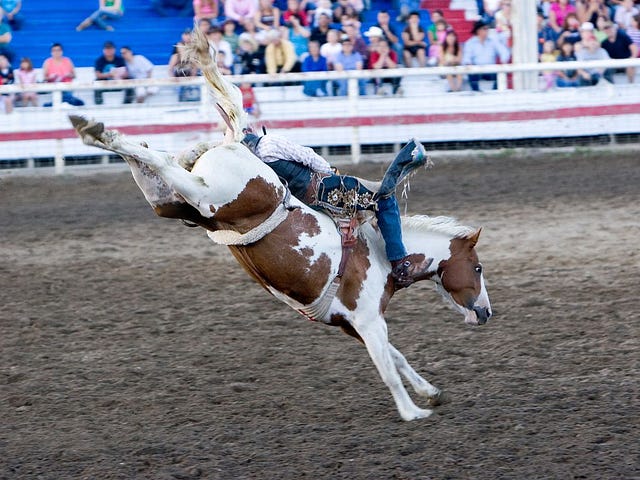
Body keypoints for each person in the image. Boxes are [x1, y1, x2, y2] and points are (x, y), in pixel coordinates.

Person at [241, 132, 432, 289]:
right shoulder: (268, 143)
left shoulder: (252, 163)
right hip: (322, 187)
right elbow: (308, 156)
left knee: (371, 195)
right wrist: (331, 173)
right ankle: (400, 264)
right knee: (384, 198)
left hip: (305, 200)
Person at [461, 19, 511, 91]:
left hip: (491, 69)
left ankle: (494, 92)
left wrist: (504, 60)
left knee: (501, 73)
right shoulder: (470, 43)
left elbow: (504, 51)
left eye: (487, 29)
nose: (487, 31)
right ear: (478, 31)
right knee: (471, 75)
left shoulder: (493, 41)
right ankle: (476, 93)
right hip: (477, 70)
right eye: (485, 29)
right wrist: (468, 63)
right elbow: (466, 58)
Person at [94, 40, 135, 105]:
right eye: (106, 49)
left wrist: (119, 74)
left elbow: (126, 73)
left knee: (129, 80)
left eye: (110, 49)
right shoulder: (99, 60)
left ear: (114, 50)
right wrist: (109, 74)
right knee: (96, 82)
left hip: (118, 82)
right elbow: (98, 75)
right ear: (103, 50)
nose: (108, 51)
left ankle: (127, 103)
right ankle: (99, 104)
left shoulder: (119, 59)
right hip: (105, 83)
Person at [168, 29, 200, 101]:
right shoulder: (176, 56)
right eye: (186, 35)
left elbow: (196, 66)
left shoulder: (195, 50)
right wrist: (173, 78)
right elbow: (170, 69)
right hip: (179, 77)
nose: (188, 37)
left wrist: (193, 77)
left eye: (189, 35)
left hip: (192, 76)